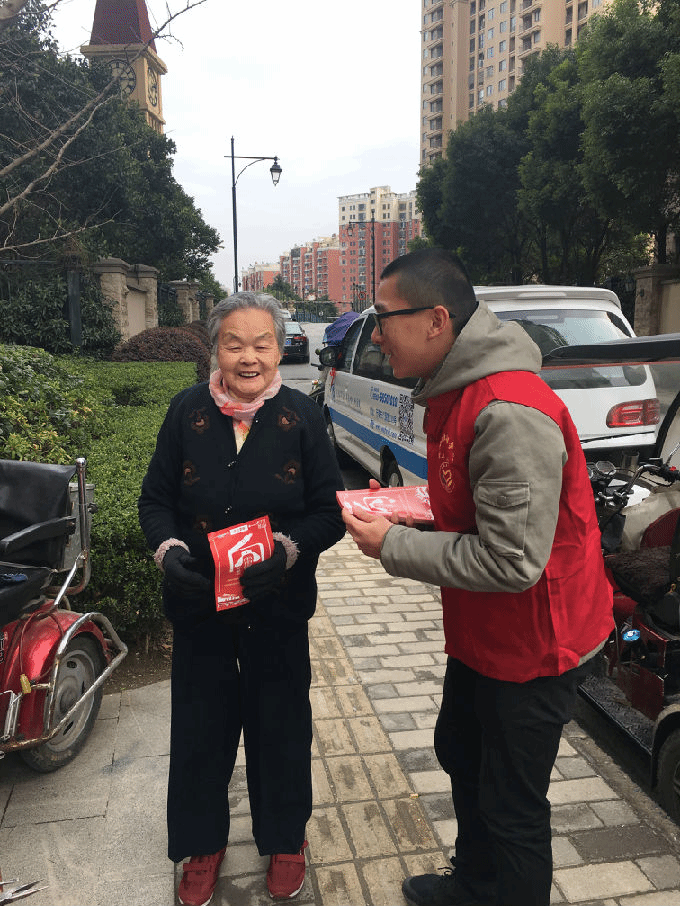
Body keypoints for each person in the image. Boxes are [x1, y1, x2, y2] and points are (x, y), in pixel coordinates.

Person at [342, 249, 614, 906]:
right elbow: (476, 507)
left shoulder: (507, 410)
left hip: (536, 642)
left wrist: (394, 546)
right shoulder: (455, 389)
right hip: (484, 630)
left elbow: (511, 560)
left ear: (436, 320)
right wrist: (408, 511)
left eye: (385, 318)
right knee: (461, 750)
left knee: (512, 804)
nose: (376, 336)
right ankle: (473, 883)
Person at [138, 293, 345, 906]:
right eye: (234, 344)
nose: (248, 357)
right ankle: (202, 844)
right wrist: (168, 550)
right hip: (200, 603)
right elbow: (155, 500)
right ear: (215, 349)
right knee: (201, 725)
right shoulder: (187, 411)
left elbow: (328, 510)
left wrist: (288, 551)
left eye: (261, 344)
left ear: (280, 350)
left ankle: (285, 839)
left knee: (280, 724)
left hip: (276, 603)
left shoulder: (301, 417)